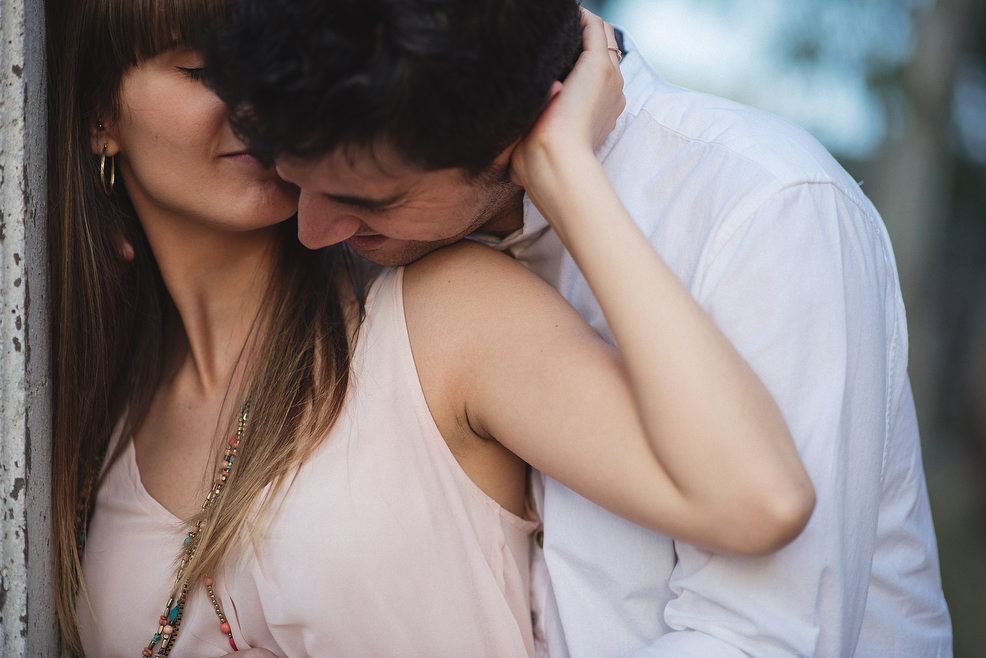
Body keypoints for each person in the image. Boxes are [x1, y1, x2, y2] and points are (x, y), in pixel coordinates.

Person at [47, 0, 813, 656]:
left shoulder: (444, 321)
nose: (250, 103)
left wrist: (560, 166)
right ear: (99, 117)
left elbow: (758, 498)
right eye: (203, 71)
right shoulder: (90, 409)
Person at [206, 0, 953, 656]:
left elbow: (763, 638)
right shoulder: (380, 252)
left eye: (369, 198)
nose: (312, 230)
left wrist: (567, 175)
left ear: (517, 132)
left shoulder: (767, 208)